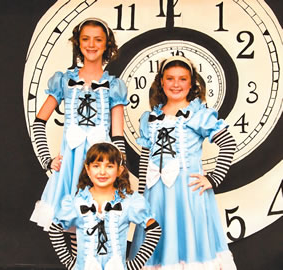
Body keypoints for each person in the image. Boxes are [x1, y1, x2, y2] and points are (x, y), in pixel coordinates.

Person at [30, 18, 128, 253]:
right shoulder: (64, 80)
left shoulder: (113, 85)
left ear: (107, 45)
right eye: (85, 39)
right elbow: (39, 122)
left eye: (98, 40)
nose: (91, 44)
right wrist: (48, 159)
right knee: (75, 226)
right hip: (71, 168)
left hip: (100, 166)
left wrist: (120, 167)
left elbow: (118, 135)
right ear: (77, 42)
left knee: (98, 230)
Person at [129, 56, 237, 269]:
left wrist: (213, 178)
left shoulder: (198, 115)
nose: (176, 84)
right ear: (161, 82)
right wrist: (141, 196)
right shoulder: (150, 118)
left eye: (182, 79)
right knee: (155, 241)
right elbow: (145, 159)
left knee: (188, 241)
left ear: (191, 83)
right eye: (170, 78)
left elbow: (228, 142)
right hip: (156, 195)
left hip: (187, 195)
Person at [48, 142, 162, 270]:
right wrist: (70, 263)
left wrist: (133, 265)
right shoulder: (77, 202)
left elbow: (154, 230)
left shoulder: (129, 202)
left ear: (119, 170)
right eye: (96, 166)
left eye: (109, 166)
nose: (102, 172)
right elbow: (54, 229)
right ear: (88, 169)